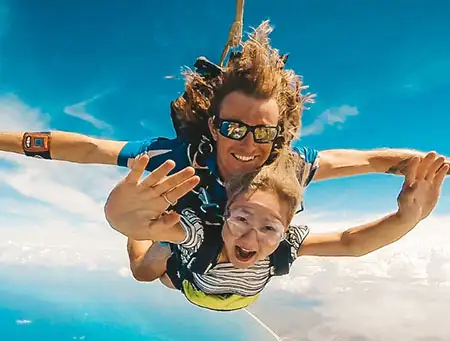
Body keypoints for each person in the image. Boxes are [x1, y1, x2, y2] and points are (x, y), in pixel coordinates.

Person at [0, 21, 447, 242]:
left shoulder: (290, 166)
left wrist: (432, 170)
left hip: (233, 233)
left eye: (264, 133)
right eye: (234, 127)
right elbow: (86, 147)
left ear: (281, 135)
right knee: (144, 268)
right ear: (214, 126)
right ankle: (143, 237)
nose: (249, 144)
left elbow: (374, 161)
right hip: (182, 228)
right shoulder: (179, 158)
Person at [117, 150, 447, 312]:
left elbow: (351, 243)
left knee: (155, 269)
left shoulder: (285, 245)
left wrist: (408, 217)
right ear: (225, 214)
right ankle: (155, 235)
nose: (249, 239)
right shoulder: (200, 234)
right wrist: (142, 221)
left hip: (226, 293)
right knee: (145, 272)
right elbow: (351, 242)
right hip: (190, 279)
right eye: (241, 220)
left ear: (286, 230)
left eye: (269, 228)